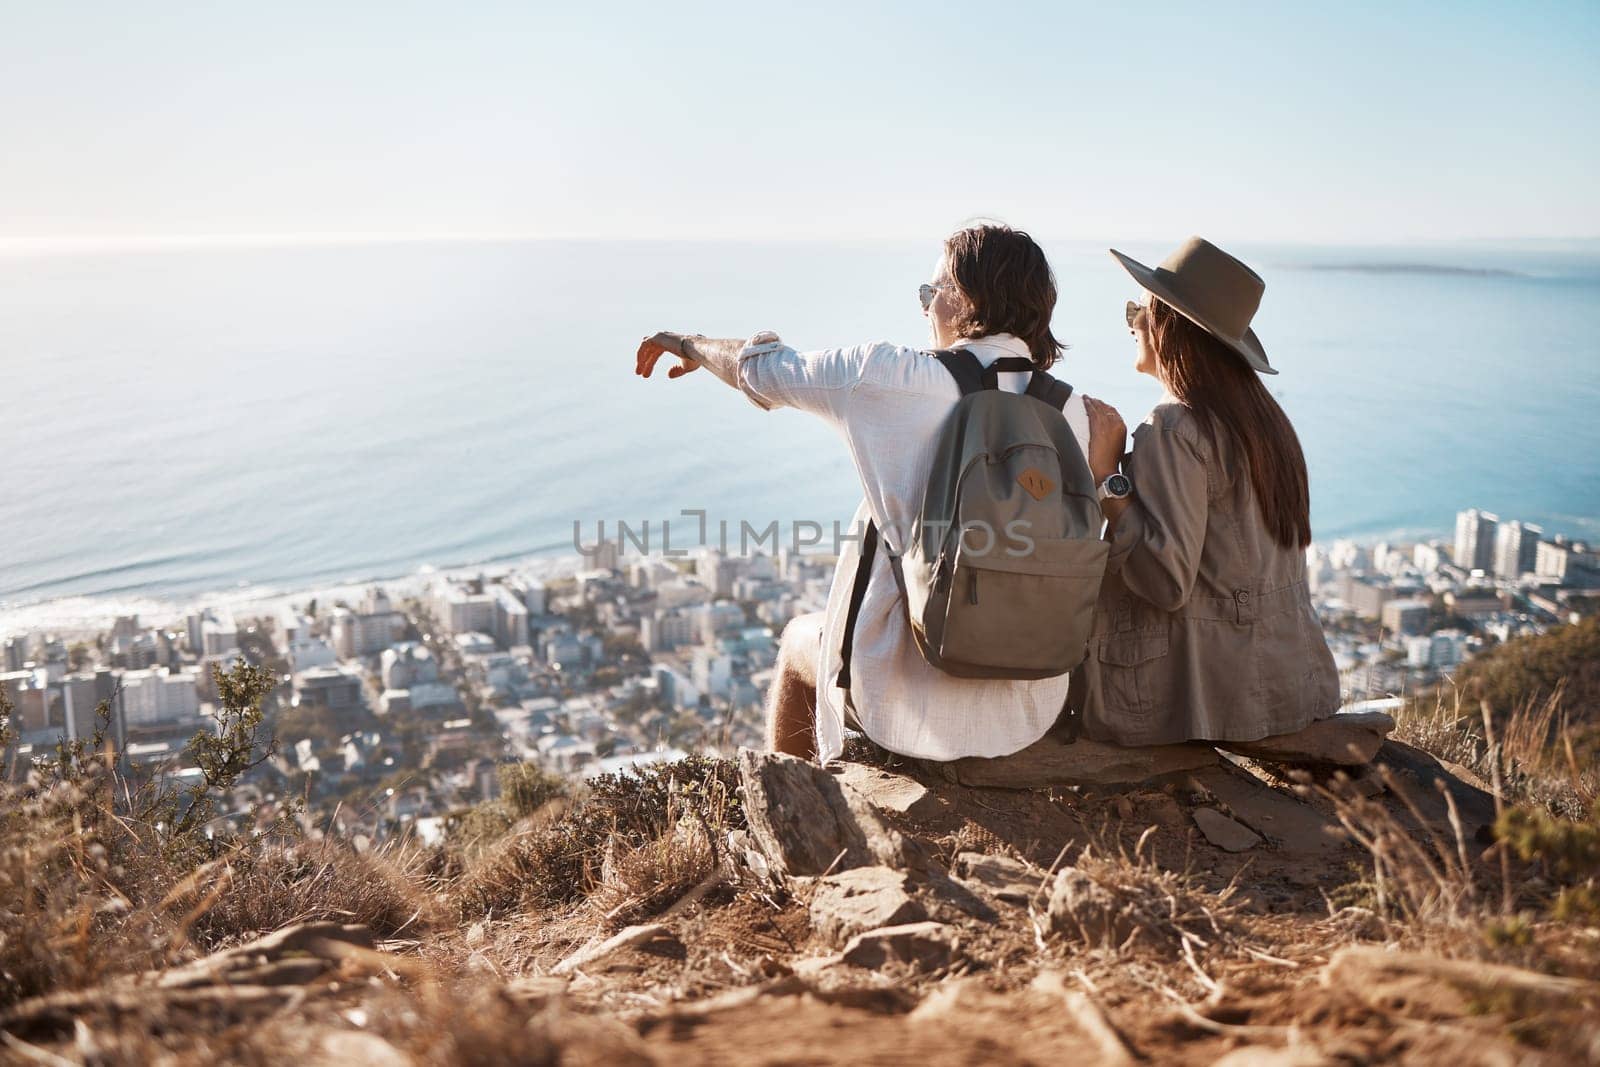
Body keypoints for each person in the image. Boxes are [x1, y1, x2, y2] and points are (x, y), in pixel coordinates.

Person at [635, 224, 1124, 764]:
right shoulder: (1082, 417)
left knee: (799, 641)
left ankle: (803, 802)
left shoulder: (886, 376)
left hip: (898, 700)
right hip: (1030, 703)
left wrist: (689, 345)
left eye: (929, 293)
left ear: (963, 299)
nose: (925, 308)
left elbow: (762, 370)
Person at [1075, 237, 1340, 746]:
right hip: (1292, 682)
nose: (1131, 322)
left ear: (1169, 328)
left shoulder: (1174, 426)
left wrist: (1108, 476)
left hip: (1210, 698)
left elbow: (1164, 581)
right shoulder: (1266, 421)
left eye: (1139, 310)